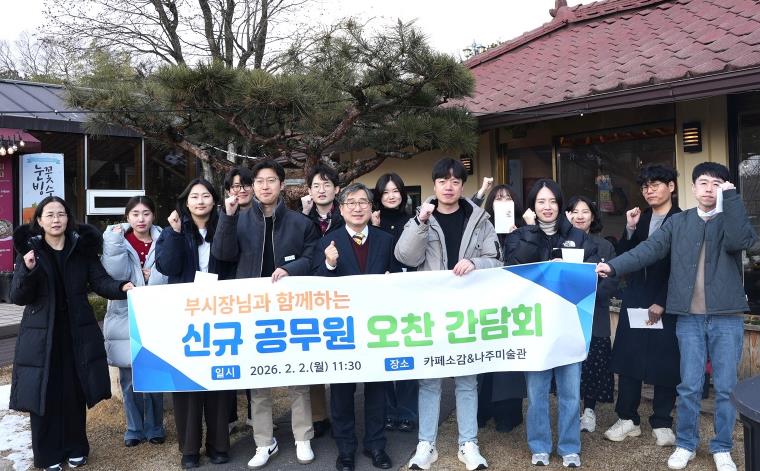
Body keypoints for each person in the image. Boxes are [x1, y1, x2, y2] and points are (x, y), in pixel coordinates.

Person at [597, 162, 759, 471]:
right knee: (688, 385)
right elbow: (649, 249)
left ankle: (722, 447)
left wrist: (732, 199)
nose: (709, 189)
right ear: (693, 188)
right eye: (703, 183)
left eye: (717, 184)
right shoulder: (679, 222)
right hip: (689, 318)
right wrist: (614, 266)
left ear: (725, 188)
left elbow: (741, 241)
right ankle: (686, 443)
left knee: (726, 387)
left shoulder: (729, 218)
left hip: (726, 317)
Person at [10, 196, 134, 471]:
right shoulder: (31, 252)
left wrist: (121, 288)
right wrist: (28, 270)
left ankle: (76, 447)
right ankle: (48, 454)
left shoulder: (81, 249)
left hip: (77, 333)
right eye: (50, 215)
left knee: (74, 391)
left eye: (61, 214)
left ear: (69, 218)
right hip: (42, 337)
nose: (56, 220)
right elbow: (18, 296)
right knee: (45, 393)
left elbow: (100, 281)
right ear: (39, 220)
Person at [212, 159, 320, 469]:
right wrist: (227, 217)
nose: (264, 186)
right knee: (258, 380)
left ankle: (303, 437)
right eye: (258, 181)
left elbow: (312, 256)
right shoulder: (239, 219)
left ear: (281, 185)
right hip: (253, 310)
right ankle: (263, 442)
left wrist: (290, 268)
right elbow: (222, 254)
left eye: (271, 180)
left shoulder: (300, 222)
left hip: (292, 308)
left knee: (298, 375)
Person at [395, 157, 501, 471]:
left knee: (467, 380)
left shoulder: (480, 219)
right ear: (435, 184)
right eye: (443, 181)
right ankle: (426, 444)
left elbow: (497, 259)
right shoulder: (421, 217)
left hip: (468, 312)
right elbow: (405, 256)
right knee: (429, 380)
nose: (449, 187)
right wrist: (420, 223)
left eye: (455, 181)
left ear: (463, 186)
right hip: (431, 312)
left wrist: (475, 263)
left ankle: (468, 443)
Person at [503, 179, 598, 468]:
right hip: (534, 327)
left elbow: (596, 276)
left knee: (570, 393)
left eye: (552, 201)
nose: (547, 207)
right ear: (532, 205)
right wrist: (532, 231)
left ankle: (570, 447)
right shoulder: (519, 235)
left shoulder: (578, 237)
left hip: (570, 324)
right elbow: (514, 268)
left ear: (560, 204)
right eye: (541, 201)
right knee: (537, 394)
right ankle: (540, 446)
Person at [313, 182, 400, 471]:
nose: (358, 207)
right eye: (351, 202)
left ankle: (376, 445)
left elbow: (398, 280)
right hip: (343, 331)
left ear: (371, 207)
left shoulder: (386, 240)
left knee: (377, 389)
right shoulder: (329, 242)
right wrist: (329, 265)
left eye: (363, 202)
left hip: (376, 329)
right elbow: (316, 288)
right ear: (341, 209)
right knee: (341, 393)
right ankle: (345, 448)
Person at [603, 165, 682, 448]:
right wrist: (630, 227)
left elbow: (681, 267)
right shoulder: (642, 218)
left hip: (667, 300)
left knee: (666, 361)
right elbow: (625, 257)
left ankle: (662, 421)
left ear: (671, 187)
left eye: (655, 184)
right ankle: (627, 418)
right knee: (629, 358)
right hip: (636, 296)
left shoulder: (682, 220)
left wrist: (662, 300)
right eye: (645, 186)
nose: (649, 190)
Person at [155, 178, 232, 469]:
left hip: (220, 312)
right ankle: (189, 449)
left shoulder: (225, 226)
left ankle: (219, 444)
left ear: (214, 200)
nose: (200, 201)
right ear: (186, 202)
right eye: (194, 196)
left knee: (218, 379)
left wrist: (228, 221)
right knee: (186, 381)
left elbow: (231, 257)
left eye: (205, 196)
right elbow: (167, 266)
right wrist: (175, 234)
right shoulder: (172, 231)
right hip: (185, 315)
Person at [102, 196, 168, 447]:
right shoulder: (117, 240)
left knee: (154, 376)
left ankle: (155, 426)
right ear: (127, 216)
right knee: (128, 378)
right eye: (135, 214)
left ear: (154, 216)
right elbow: (115, 274)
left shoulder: (164, 238)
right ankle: (134, 428)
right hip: (124, 314)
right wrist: (114, 242)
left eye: (146, 213)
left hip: (155, 315)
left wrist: (153, 276)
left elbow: (170, 273)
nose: (141, 219)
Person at [371, 172, 418, 433]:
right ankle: (388, 411)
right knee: (385, 356)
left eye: (395, 191)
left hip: (408, 297)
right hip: (380, 299)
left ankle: (407, 412)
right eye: (386, 192)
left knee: (408, 355)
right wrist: (374, 227)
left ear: (403, 193)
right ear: (379, 196)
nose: (391, 196)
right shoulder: (371, 221)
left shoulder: (412, 221)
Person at [565, 195, 616, 433]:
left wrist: (587, 297)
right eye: (574, 211)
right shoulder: (560, 243)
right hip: (566, 314)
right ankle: (571, 409)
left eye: (585, 211)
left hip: (595, 312)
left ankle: (589, 410)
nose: (579, 216)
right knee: (569, 363)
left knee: (594, 363)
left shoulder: (604, 246)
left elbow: (611, 281)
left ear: (593, 216)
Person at [478, 183, 526, 433]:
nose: (503, 201)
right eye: (498, 198)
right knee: (485, 361)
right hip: (486, 303)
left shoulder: (525, 228)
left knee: (510, 362)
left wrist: (522, 237)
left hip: (515, 305)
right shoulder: (482, 227)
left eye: (508, 197)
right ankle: (482, 410)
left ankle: (508, 414)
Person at [301, 163, 342, 437]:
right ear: (309, 191)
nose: (322, 190)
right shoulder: (301, 220)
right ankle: (318, 416)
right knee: (314, 354)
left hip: (341, 292)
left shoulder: (347, 214)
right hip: (311, 293)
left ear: (336, 189)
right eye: (316, 185)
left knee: (340, 352)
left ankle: (342, 413)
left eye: (327, 185)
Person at [221, 166, 255, 431]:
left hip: (253, 293)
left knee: (253, 355)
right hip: (226, 294)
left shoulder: (261, 215)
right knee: (229, 355)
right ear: (228, 190)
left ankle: (255, 414)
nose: (241, 190)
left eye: (245, 185)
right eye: (235, 186)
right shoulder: (222, 215)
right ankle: (230, 416)